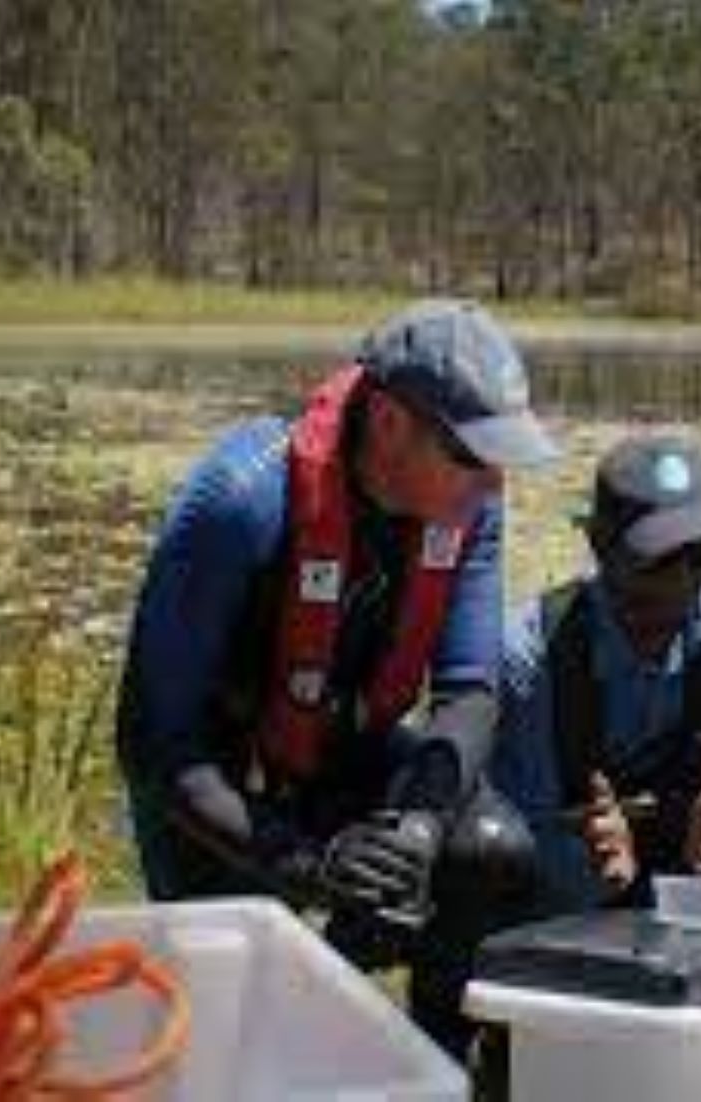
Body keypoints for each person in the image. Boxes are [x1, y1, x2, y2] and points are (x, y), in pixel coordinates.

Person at [114, 298, 556, 1058]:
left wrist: (416, 828)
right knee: (236, 1033)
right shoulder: (238, 502)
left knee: (489, 850)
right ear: (387, 423)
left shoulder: (466, 506)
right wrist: (305, 865)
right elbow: (154, 745)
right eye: (473, 456)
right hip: (218, 794)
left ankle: (439, 1066)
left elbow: (469, 689)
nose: (492, 482)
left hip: (343, 757)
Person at [491, 434, 701, 915]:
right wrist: (586, 867)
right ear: (600, 546)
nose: (680, 581)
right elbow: (518, 826)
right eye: (657, 558)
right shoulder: (532, 654)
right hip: (567, 908)